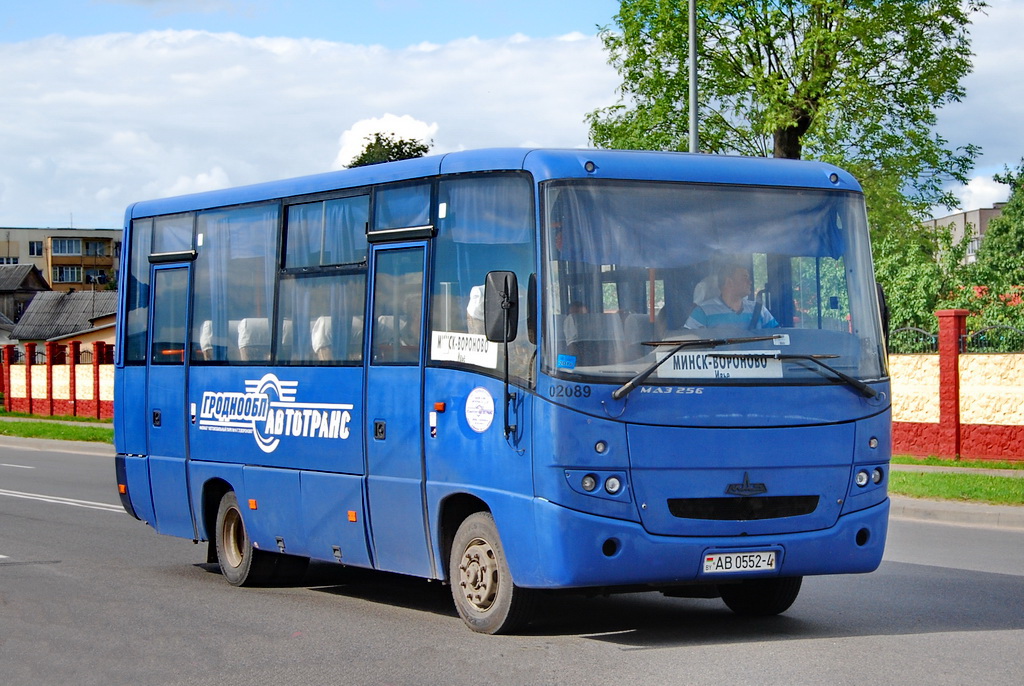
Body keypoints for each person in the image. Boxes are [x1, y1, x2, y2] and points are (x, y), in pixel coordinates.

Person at [685, 264, 779, 330]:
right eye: (744, 278)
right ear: (729, 282)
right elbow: (687, 345)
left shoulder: (759, 310)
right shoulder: (702, 312)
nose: (750, 282)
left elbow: (779, 338)